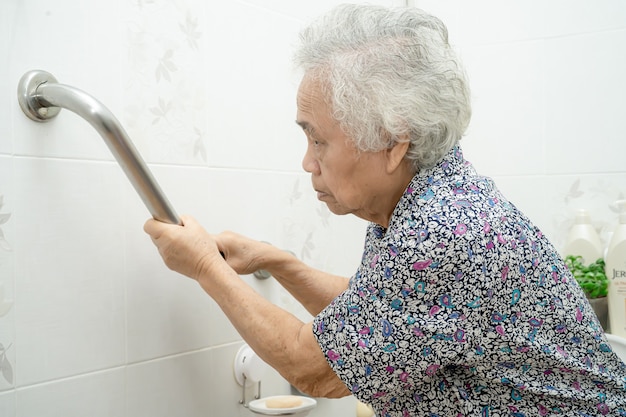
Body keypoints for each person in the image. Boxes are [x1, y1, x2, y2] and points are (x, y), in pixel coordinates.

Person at [144, 4, 626, 416]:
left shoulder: (442, 232)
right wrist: (278, 262)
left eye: (318, 139)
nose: (308, 162)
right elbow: (383, 313)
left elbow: (313, 369)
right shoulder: (435, 197)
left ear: (394, 143)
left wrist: (205, 266)